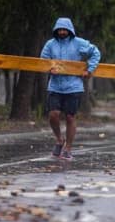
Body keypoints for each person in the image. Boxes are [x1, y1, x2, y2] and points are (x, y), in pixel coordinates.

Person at [40, 17, 101, 161]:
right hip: (55, 85)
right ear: (56, 30)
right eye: (59, 30)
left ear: (70, 30)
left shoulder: (79, 43)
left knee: (70, 117)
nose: (62, 32)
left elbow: (95, 52)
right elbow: (42, 61)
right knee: (53, 115)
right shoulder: (50, 44)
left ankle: (68, 148)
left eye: (64, 30)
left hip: (73, 86)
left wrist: (89, 69)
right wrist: (50, 68)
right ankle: (59, 140)